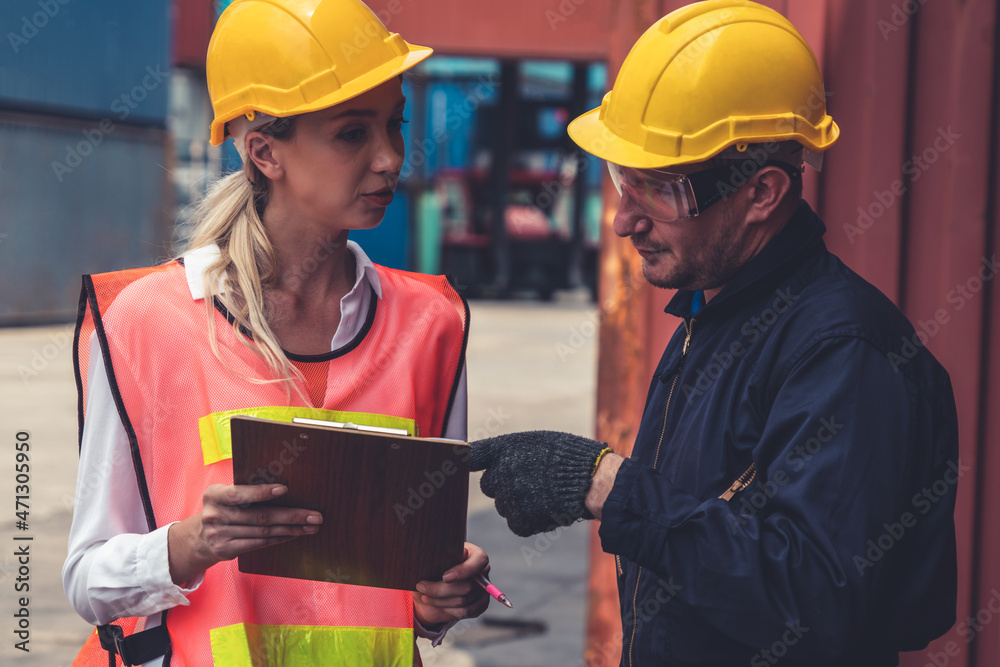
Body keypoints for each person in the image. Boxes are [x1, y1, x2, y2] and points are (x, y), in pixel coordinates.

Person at [470, 1, 959, 665]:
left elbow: (813, 601)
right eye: (623, 179)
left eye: (662, 188)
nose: (623, 220)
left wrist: (608, 485)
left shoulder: (844, 353)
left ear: (762, 193)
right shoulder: (716, 315)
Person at [63, 1, 489, 665]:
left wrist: (444, 596)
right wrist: (191, 542)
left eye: (394, 125)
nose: (390, 158)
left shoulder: (430, 323)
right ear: (265, 151)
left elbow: (424, 574)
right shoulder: (149, 321)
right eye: (353, 133)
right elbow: (88, 579)